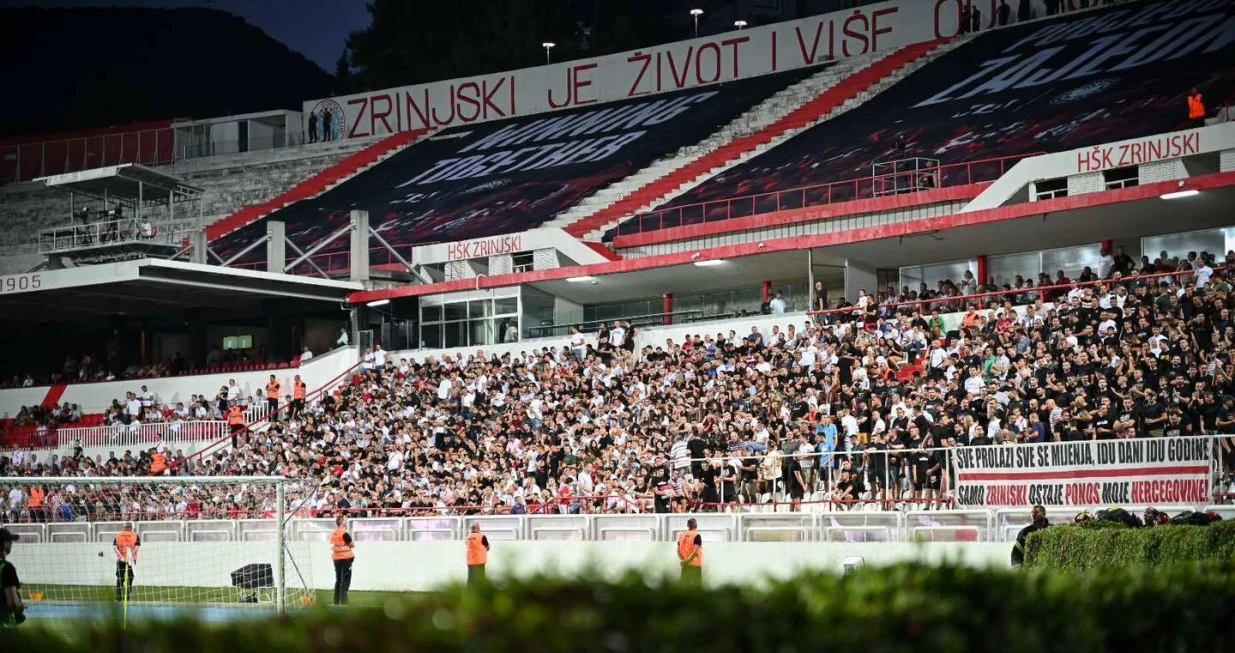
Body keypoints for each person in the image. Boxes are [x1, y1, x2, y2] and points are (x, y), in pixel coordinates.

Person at [0, 528, 24, 627]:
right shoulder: (7, 567)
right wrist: (20, 606)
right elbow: (12, 603)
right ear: (6, 544)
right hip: (4, 623)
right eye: (10, 541)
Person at [330, 515, 355, 605]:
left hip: (336, 559)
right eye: (345, 520)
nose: (346, 521)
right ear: (342, 522)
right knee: (345, 579)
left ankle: (336, 601)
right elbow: (352, 544)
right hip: (345, 558)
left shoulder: (334, 533)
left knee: (338, 579)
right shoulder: (344, 533)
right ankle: (344, 601)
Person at [114, 522, 139, 602]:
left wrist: (121, 556)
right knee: (130, 579)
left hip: (121, 560)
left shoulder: (118, 535)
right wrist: (131, 556)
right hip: (131, 560)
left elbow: (115, 548)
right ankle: (127, 597)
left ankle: (118, 597)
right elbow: (137, 547)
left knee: (120, 579)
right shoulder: (135, 535)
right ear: (131, 528)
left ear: (124, 528)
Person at [677, 518, 703, 585]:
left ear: (688, 525)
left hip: (685, 565)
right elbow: (695, 551)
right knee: (697, 588)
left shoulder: (682, 535)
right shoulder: (696, 535)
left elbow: (678, 550)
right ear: (696, 525)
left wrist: (684, 560)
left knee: (684, 587)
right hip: (695, 565)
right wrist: (688, 560)